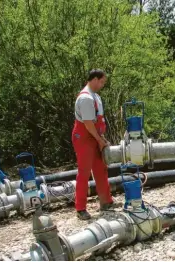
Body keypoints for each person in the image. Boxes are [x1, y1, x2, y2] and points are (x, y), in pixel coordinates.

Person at [72, 69, 117, 220]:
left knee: (100, 169)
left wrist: (101, 138)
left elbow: (98, 122)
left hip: (95, 136)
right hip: (84, 138)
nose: (103, 85)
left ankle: (106, 201)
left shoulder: (96, 97)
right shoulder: (85, 98)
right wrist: (99, 140)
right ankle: (80, 208)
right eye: (102, 82)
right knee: (84, 172)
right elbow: (88, 124)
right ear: (95, 79)